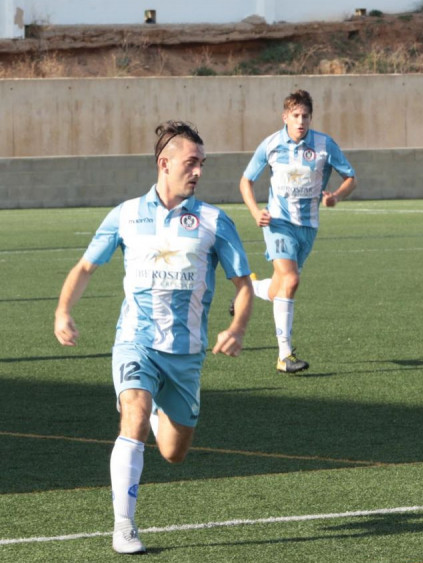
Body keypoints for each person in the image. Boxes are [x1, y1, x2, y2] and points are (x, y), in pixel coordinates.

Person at [53, 121, 253, 555]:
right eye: (191, 162)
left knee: (174, 453)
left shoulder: (214, 221)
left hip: (185, 354)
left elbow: (244, 285)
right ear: (164, 163)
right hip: (135, 341)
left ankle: (160, 408)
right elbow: (86, 267)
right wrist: (63, 311)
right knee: (134, 416)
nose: (198, 171)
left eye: (202, 163)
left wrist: (236, 327)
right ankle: (124, 526)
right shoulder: (126, 214)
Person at [239, 89, 356, 373]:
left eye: (305, 116)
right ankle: (284, 355)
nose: (301, 121)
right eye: (296, 115)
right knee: (290, 280)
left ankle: (249, 288)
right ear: (285, 117)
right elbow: (246, 181)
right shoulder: (271, 145)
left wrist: (336, 196)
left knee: (281, 284)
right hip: (277, 222)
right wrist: (256, 212)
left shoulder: (324, 145)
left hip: (308, 227)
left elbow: (350, 177)